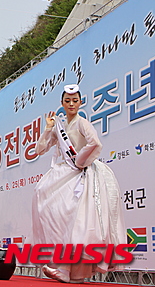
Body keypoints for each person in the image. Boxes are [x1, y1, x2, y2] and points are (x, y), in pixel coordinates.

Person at [31, 84, 125, 283]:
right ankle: (69, 271)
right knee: (55, 211)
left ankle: (67, 269)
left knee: (80, 221)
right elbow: (39, 150)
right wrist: (48, 128)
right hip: (67, 173)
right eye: (67, 101)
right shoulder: (61, 125)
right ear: (62, 103)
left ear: (81, 102)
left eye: (75, 100)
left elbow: (95, 144)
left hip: (86, 175)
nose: (71, 104)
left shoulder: (82, 123)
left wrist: (80, 162)